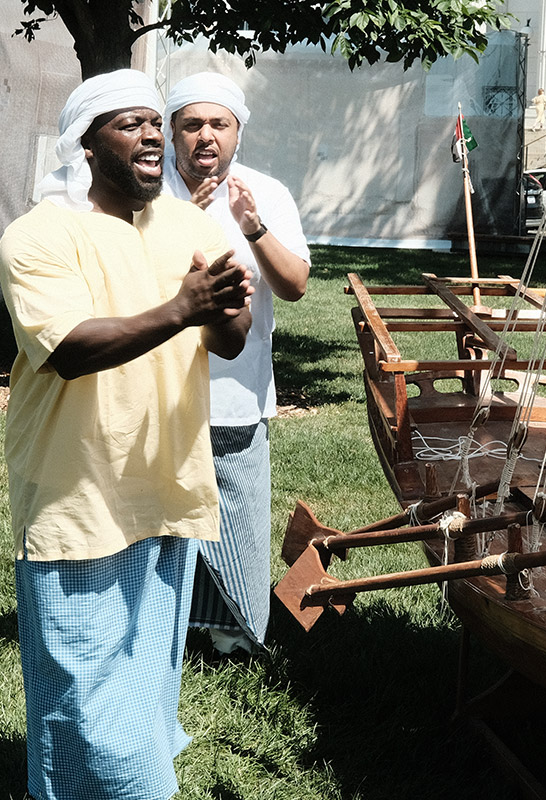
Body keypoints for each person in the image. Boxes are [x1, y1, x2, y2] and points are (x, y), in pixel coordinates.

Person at [0, 69, 253, 800]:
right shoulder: (39, 236)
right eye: (128, 123)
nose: (150, 134)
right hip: (80, 501)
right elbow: (73, 349)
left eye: (152, 121)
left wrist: (226, 306)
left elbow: (229, 340)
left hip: (168, 491)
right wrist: (184, 307)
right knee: (84, 699)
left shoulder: (189, 225)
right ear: (85, 144)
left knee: (140, 690)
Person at [163, 72, 311, 657]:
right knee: (160, 516)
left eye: (218, 125)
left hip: (234, 392)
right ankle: (169, 625)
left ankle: (236, 633)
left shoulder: (264, 192)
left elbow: (296, 285)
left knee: (236, 514)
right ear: (171, 134)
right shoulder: (147, 194)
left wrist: (252, 227)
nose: (206, 137)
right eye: (192, 124)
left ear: (237, 133)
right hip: (155, 389)